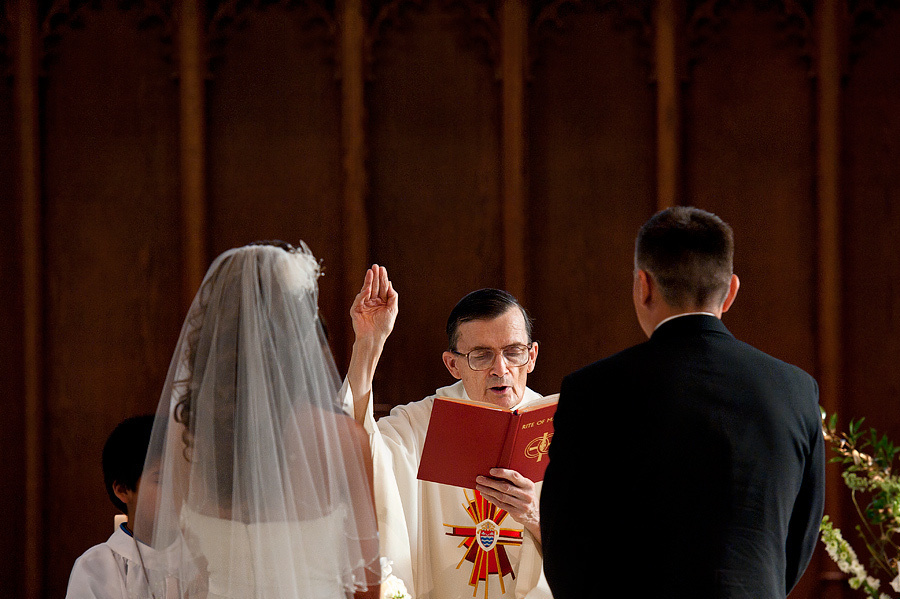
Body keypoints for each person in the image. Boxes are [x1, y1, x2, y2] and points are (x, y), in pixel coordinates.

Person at [540, 207, 825, 598]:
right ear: (731, 291)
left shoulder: (593, 389)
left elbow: (565, 546)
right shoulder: (796, 390)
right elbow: (798, 539)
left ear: (644, 285)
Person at [130, 241, 384, 599]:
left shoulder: (186, 437)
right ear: (298, 335)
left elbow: (189, 565)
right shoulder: (342, 439)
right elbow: (368, 582)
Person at [345, 268, 553, 599]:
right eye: (481, 355)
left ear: (532, 356)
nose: (501, 369)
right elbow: (359, 451)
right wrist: (368, 346)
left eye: (514, 352)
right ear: (453, 365)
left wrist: (536, 517)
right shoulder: (420, 426)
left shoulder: (560, 427)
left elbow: (597, 546)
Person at [65, 414, 163, 598]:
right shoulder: (95, 567)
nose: (176, 492)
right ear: (123, 490)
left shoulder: (200, 559)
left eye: (183, 478)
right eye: (161, 480)